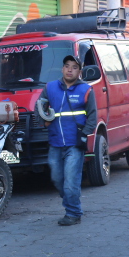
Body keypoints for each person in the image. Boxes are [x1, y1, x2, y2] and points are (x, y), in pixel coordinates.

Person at [39, 55, 97, 226]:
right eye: (66, 66)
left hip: (75, 144)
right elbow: (39, 107)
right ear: (62, 69)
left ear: (80, 71)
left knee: (71, 181)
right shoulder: (50, 88)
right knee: (58, 179)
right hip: (55, 143)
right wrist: (44, 120)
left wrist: (84, 134)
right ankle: (72, 202)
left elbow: (93, 116)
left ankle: (73, 213)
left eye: (74, 67)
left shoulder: (86, 90)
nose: (69, 69)